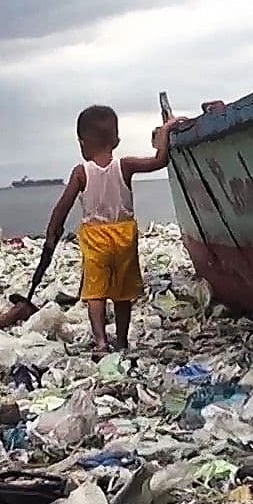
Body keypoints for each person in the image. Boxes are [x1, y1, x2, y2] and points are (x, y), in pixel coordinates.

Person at [28, 105, 191, 353]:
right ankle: (123, 340)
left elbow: (63, 206)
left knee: (95, 292)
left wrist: (52, 233)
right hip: (124, 237)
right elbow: (160, 160)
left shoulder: (81, 172)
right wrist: (166, 131)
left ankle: (102, 341)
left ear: (83, 143)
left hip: (96, 239)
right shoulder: (125, 165)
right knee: (122, 293)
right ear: (116, 140)